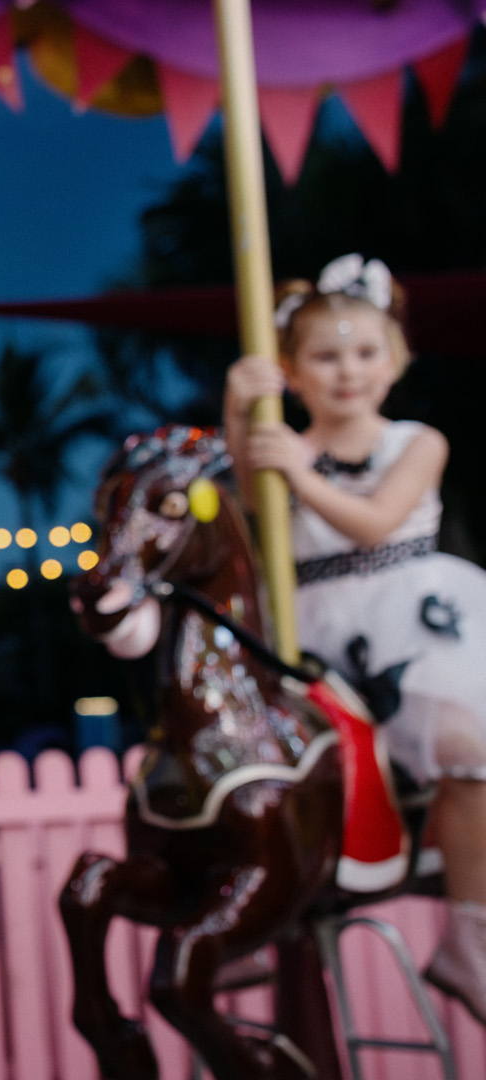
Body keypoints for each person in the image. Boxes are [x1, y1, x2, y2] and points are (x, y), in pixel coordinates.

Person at [225, 253, 486, 1022]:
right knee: (257, 769)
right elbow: (246, 502)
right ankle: (245, 930)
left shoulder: (416, 441)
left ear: (396, 361)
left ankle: (470, 935)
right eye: (326, 356)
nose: (348, 370)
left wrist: (300, 474)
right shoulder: (280, 445)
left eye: (365, 352)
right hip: (314, 625)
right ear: (292, 372)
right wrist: (240, 411)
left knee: (472, 752)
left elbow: (374, 521)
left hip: (404, 622)